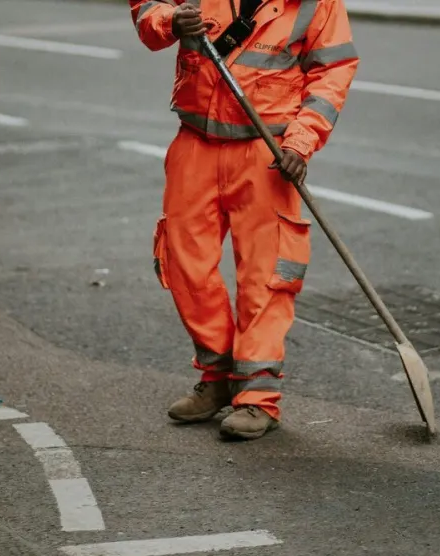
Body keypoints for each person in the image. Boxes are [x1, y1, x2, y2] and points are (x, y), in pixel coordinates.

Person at [130, 0, 359, 440]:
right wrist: (170, 20)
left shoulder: (317, 4)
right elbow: (146, 10)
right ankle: (217, 377)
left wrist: (301, 141)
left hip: (266, 151)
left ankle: (257, 398)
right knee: (184, 265)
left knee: (266, 275)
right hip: (195, 142)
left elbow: (333, 71)